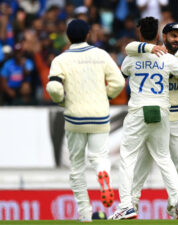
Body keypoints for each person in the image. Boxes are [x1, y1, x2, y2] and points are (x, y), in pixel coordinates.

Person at [109, 17, 178, 220]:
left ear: (140, 33)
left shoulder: (132, 58)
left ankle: (126, 205)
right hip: (161, 111)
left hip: (139, 111)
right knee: (164, 158)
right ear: (158, 35)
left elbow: (124, 69)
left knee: (127, 159)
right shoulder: (168, 58)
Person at [46, 19, 125, 222]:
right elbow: (119, 82)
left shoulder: (61, 59)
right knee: (100, 157)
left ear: (67, 37)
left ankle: (85, 215)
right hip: (99, 116)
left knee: (77, 168)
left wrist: (62, 100)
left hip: (75, 118)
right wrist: (105, 96)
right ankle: (103, 176)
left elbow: (54, 88)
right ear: (88, 35)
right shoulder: (101, 55)